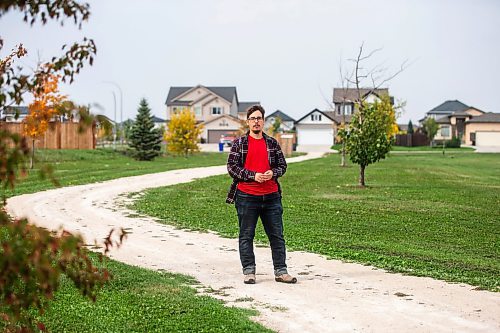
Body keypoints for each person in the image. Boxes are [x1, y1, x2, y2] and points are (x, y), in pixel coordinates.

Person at [226, 104, 297, 285]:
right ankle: (249, 272)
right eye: (253, 119)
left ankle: (281, 271)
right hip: (247, 197)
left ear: (263, 121)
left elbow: (282, 166)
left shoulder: (272, 143)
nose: (256, 121)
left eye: (259, 118)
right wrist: (252, 175)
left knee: (277, 235)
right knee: (246, 235)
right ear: (248, 122)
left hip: (271, 197)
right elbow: (232, 168)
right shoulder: (239, 143)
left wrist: (273, 173)